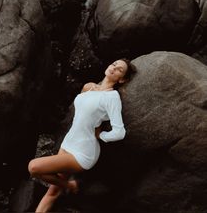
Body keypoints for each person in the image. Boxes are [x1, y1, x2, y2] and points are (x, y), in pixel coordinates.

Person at [28, 58, 136, 212]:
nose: (113, 68)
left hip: (84, 152)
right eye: (113, 64)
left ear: (122, 79)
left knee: (34, 167)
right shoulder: (88, 87)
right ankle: (68, 186)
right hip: (69, 142)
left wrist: (101, 136)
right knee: (52, 191)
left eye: (119, 69)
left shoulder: (112, 97)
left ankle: (71, 185)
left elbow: (120, 132)